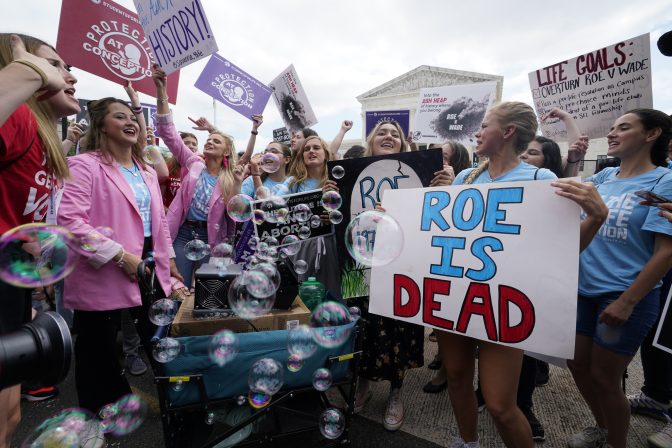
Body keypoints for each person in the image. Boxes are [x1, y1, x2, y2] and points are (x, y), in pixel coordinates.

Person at [438, 101, 607, 448]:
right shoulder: (464, 178)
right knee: (456, 376)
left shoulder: (540, 179)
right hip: (458, 296)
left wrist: (596, 218)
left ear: (508, 132)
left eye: (485, 125)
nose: (478, 132)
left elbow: (564, 250)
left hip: (505, 302)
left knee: (500, 404)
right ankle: (467, 442)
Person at [57, 96, 185, 414]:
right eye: (119, 116)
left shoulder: (145, 171)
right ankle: (100, 411)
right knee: (97, 348)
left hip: (149, 262)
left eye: (132, 116)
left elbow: (160, 223)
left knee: (158, 336)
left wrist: (169, 259)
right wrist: (120, 256)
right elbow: (70, 223)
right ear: (101, 125)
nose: (130, 121)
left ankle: (178, 405)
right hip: (103, 265)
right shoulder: (83, 165)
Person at [567, 109, 672, 448]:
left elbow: (666, 252)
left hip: (624, 295)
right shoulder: (605, 176)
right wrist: (574, 156)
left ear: (652, 134)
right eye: (611, 128)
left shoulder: (664, 181)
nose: (612, 134)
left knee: (604, 376)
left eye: (623, 128)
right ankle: (601, 426)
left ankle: (616, 442)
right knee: (577, 365)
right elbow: (562, 190)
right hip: (582, 290)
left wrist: (628, 302)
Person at [0, 33, 80, 447]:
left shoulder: (40, 134)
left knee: (9, 417)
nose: (67, 75)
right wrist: (25, 72)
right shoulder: (20, 118)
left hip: (11, 283)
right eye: (52, 64)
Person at [352, 121, 455, 432]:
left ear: (403, 145)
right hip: (362, 266)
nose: (388, 136)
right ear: (370, 143)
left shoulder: (421, 179)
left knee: (400, 331)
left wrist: (447, 186)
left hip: (403, 268)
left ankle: (396, 392)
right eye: (382, 132)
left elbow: (441, 216)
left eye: (395, 134)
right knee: (365, 330)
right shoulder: (352, 176)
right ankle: (363, 384)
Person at [152, 65, 247, 283]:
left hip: (212, 238)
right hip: (182, 233)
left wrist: (239, 184)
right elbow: (169, 134)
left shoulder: (231, 177)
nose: (209, 141)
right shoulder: (193, 163)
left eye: (216, 141)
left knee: (209, 292)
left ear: (225, 151)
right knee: (176, 285)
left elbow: (237, 211)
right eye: (209, 139)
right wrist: (161, 91)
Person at [286, 135, 342, 296]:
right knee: (305, 294)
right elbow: (277, 206)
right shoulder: (292, 183)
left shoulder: (336, 179)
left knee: (333, 293)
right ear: (301, 155)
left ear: (325, 153)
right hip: (302, 247)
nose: (311, 151)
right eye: (306, 149)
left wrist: (332, 216)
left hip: (332, 245)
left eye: (316, 148)